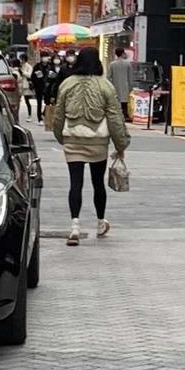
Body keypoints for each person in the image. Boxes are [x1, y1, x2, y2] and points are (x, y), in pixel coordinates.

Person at [51, 45, 128, 245]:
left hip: (73, 139)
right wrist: (121, 144)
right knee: (97, 183)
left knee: (75, 183)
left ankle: (75, 226)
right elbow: (114, 117)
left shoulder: (67, 84)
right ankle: (100, 222)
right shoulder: (105, 86)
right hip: (98, 141)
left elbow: (58, 114)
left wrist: (61, 137)